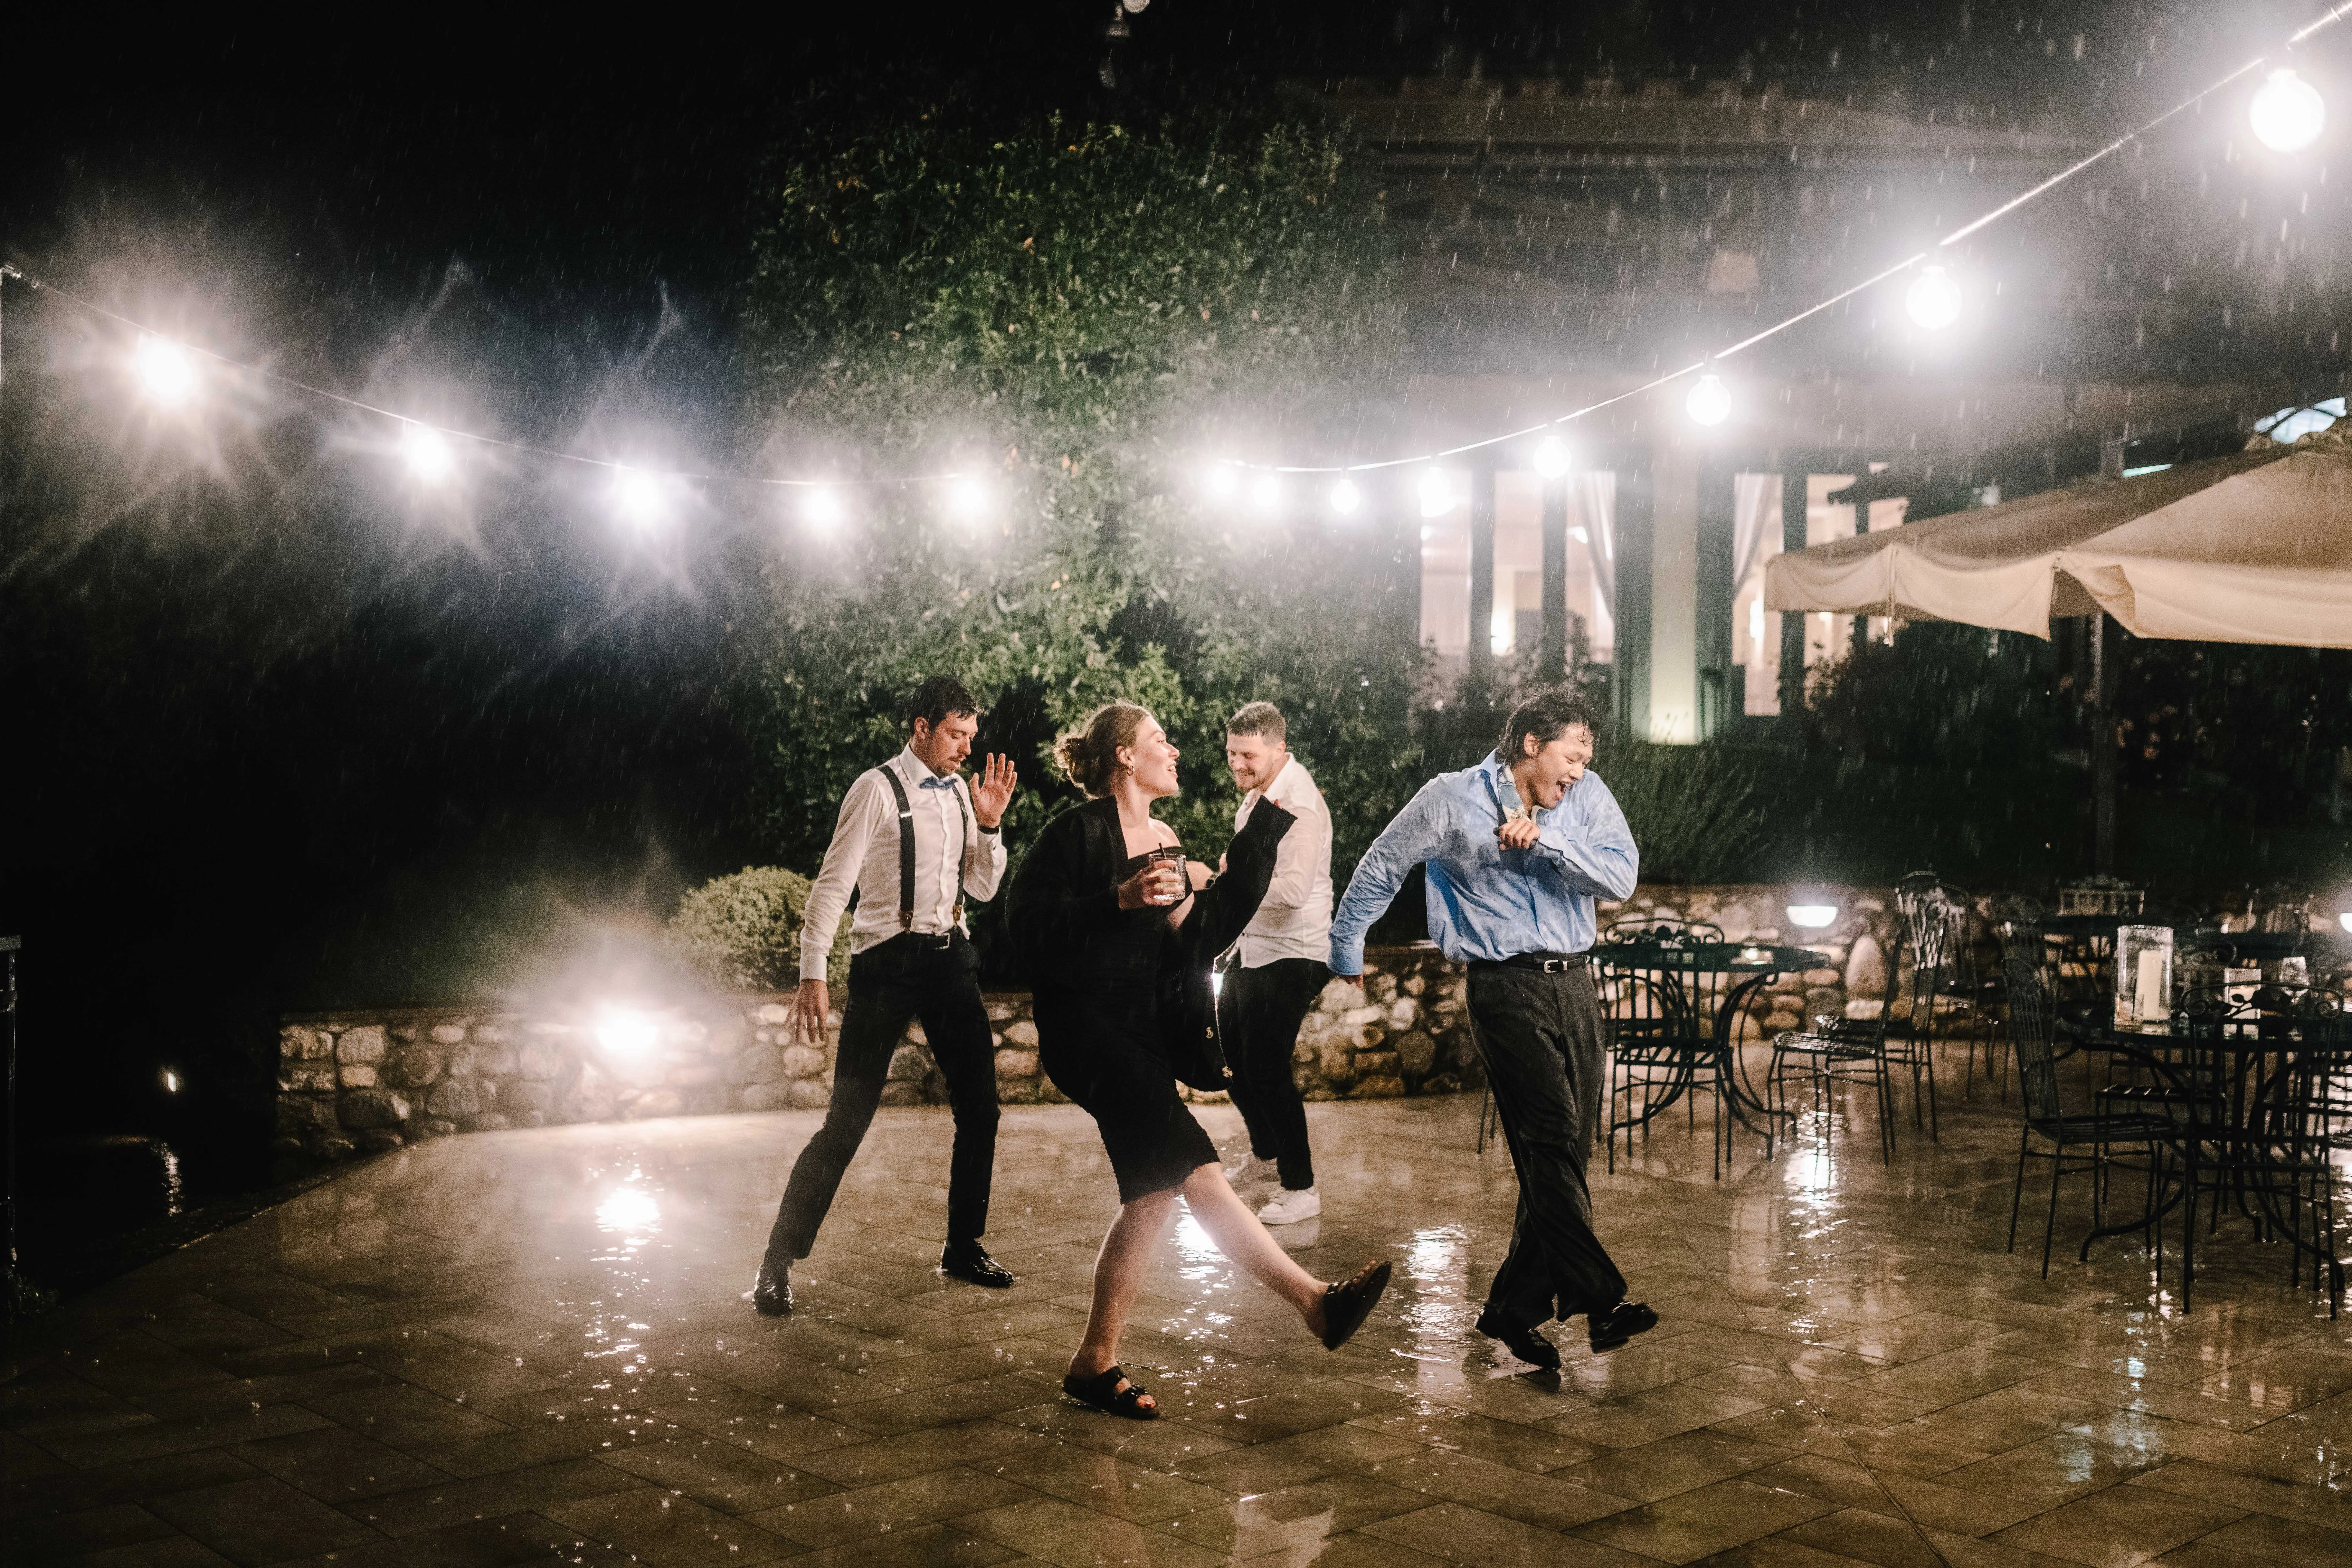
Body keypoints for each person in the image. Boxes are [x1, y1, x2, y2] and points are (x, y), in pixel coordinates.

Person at [1006, 702, 1391, 1419]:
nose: (1174, 750)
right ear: (1124, 756)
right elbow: (1021, 929)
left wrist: (1260, 840)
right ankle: (1314, 1304)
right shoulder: (1077, 832)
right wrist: (1115, 900)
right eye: (1159, 740)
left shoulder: (1165, 838)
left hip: (1141, 1037)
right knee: (1196, 1165)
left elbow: (1201, 938)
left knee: (1152, 1196)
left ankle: (1093, 1362)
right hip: (1085, 1031)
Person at [1326, 684, 1653, 1371]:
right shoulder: (1450, 798)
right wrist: (1346, 946)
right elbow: (1385, 863)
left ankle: (1511, 1309)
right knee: (1551, 1138)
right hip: (1503, 987)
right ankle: (1599, 1300)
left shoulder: (1584, 800)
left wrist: (1552, 844)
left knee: (1563, 1153)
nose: (1581, 768)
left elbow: (1621, 875)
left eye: (1588, 756)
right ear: (1531, 743)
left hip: (1575, 985)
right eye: (1573, 752)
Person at [750, 676, 1021, 1317]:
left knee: (980, 1108)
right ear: (922, 726)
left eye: (971, 736)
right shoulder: (875, 789)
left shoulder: (961, 793)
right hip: (885, 962)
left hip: (950, 956)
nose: (965, 749)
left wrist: (988, 823)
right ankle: (777, 1260)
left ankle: (963, 1244)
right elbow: (831, 884)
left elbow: (981, 889)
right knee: (846, 1120)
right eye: (956, 735)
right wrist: (812, 970)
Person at [1217, 701, 1334, 1224]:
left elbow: (1292, 891)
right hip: (1255, 948)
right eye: (1232, 754)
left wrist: (1226, 882)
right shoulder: (1256, 797)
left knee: (1265, 1068)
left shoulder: (1299, 804)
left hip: (1296, 952)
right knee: (1226, 1058)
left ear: (1278, 750)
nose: (1237, 765)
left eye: (1248, 755)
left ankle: (1301, 1187)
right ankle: (1265, 1155)